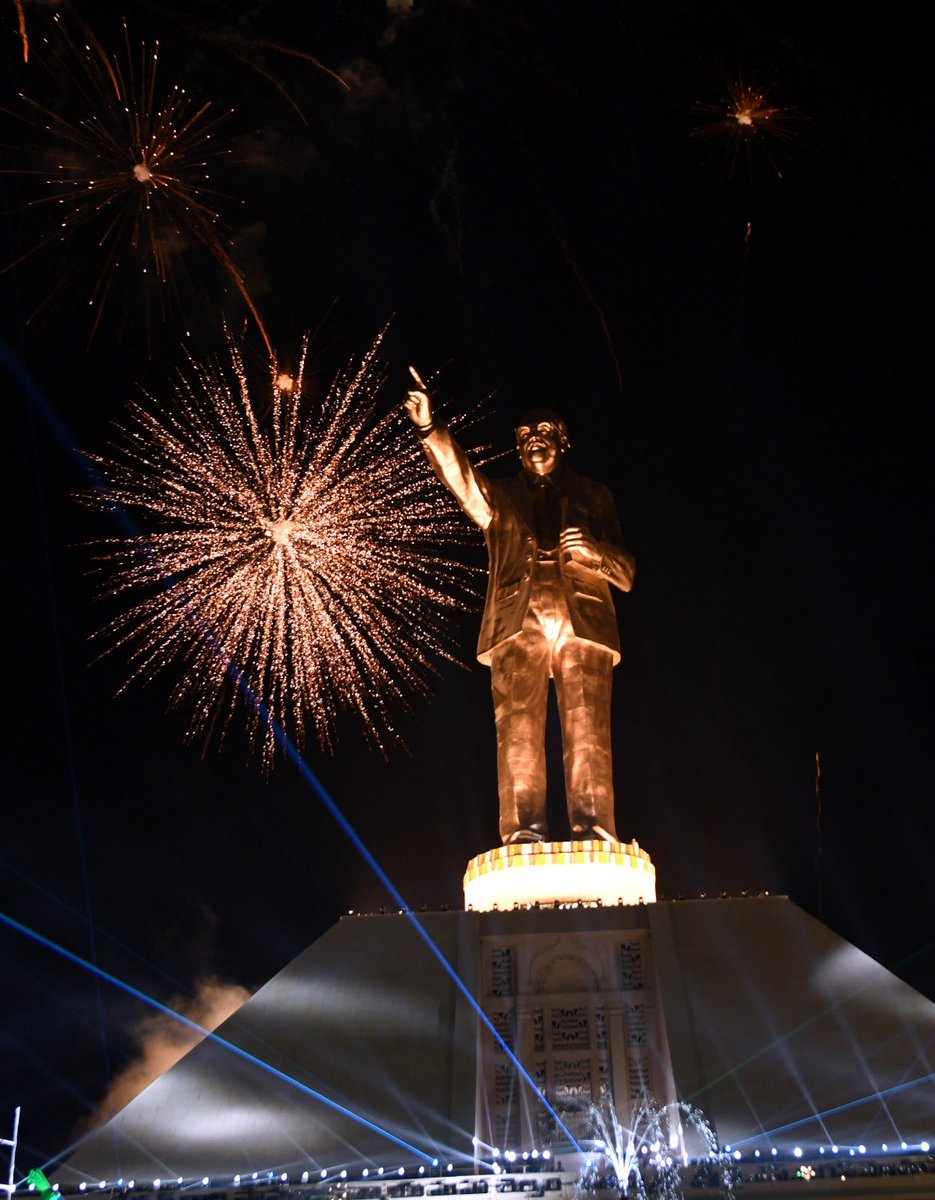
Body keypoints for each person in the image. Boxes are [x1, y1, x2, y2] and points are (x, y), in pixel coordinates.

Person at [405, 367, 635, 845]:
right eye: (526, 434)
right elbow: (462, 478)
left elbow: (628, 574)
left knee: (588, 731)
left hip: (584, 615)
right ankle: (523, 834)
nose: (535, 440)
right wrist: (431, 429)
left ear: (564, 441)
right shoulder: (501, 497)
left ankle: (595, 831)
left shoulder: (594, 495)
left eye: (545, 432)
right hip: (517, 615)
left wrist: (596, 551)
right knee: (518, 732)